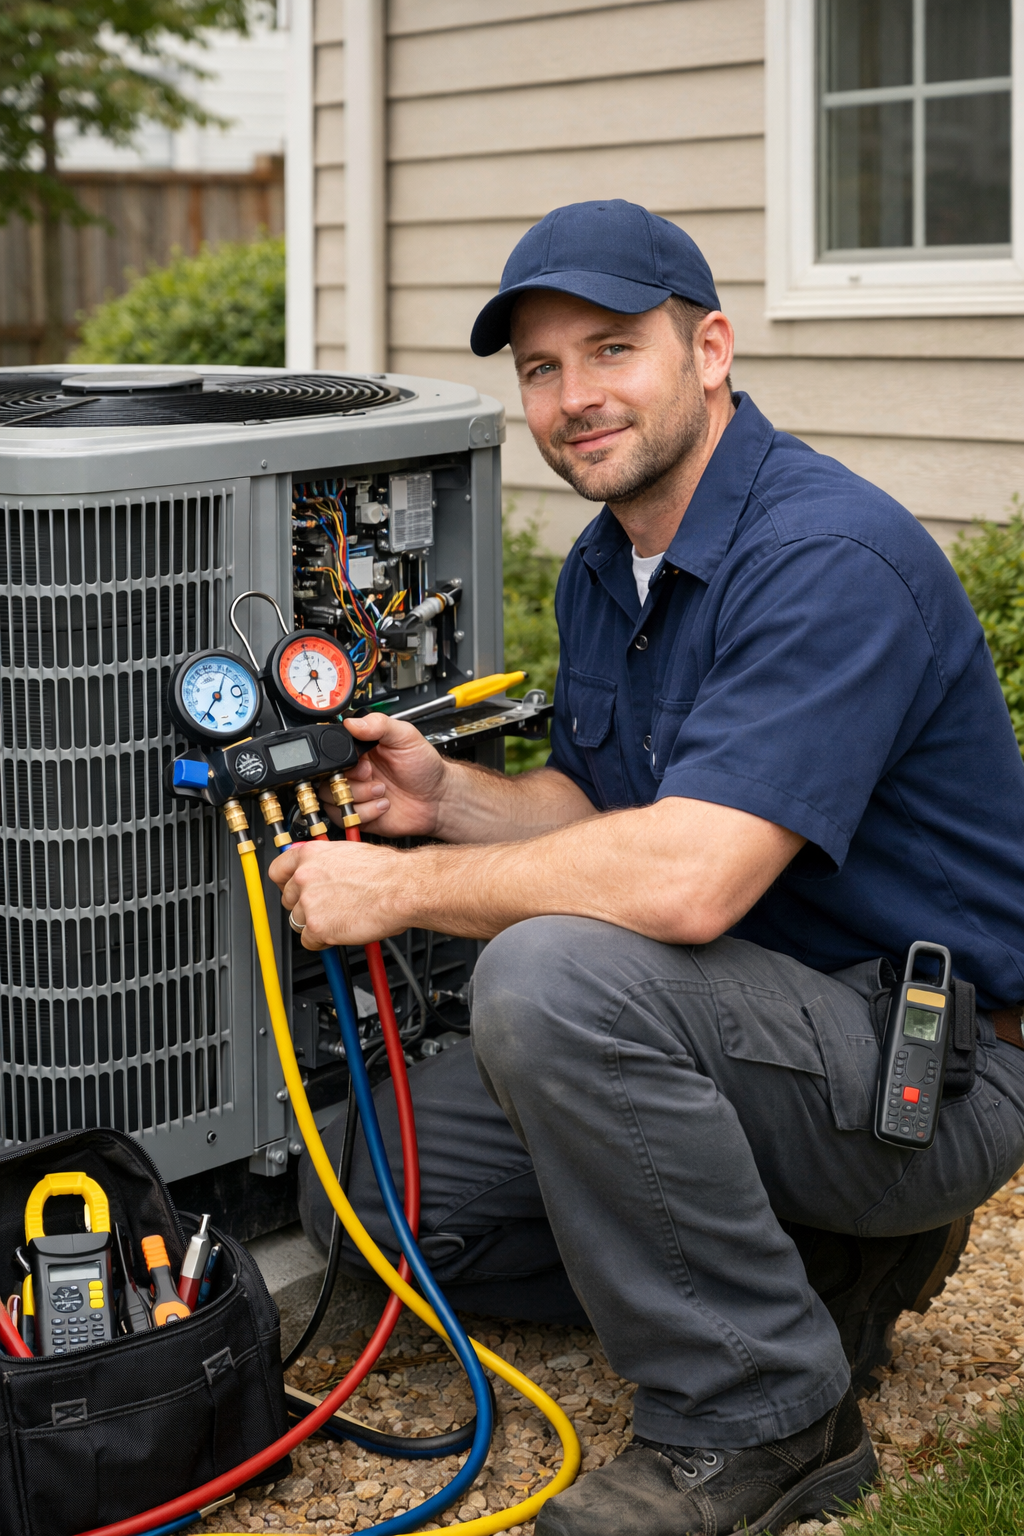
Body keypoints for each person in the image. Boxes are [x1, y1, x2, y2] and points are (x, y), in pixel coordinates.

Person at [271, 200, 1024, 1536]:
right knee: (374, 1195)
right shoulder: (611, 565)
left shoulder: (821, 559)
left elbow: (685, 881)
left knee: (552, 976)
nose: (574, 399)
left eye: (611, 350)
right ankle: (821, 1269)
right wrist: (446, 800)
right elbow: (596, 807)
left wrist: (398, 894)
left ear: (711, 348)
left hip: (925, 1068)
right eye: (542, 371)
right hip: (746, 1028)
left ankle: (761, 1417)